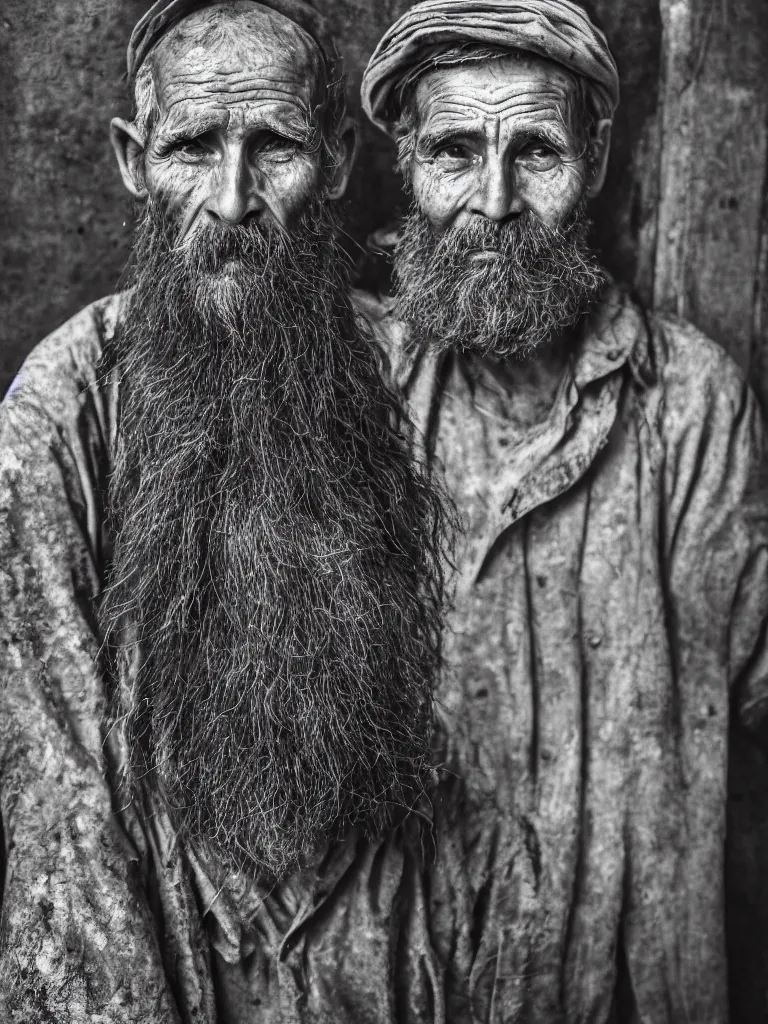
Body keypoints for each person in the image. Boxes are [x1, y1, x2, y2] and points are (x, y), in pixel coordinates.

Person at [0, 2, 451, 1021]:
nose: (234, 197)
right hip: (167, 956)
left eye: (274, 147)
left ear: (336, 163)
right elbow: (56, 785)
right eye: (194, 146)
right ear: (132, 159)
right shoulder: (65, 401)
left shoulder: (421, 377)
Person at [356, 1, 768, 1020]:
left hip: (623, 982)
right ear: (406, 162)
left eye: (535, 151)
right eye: (455, 150)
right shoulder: (352, 387)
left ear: (594, 157)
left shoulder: (691, 401)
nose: (493, 200)